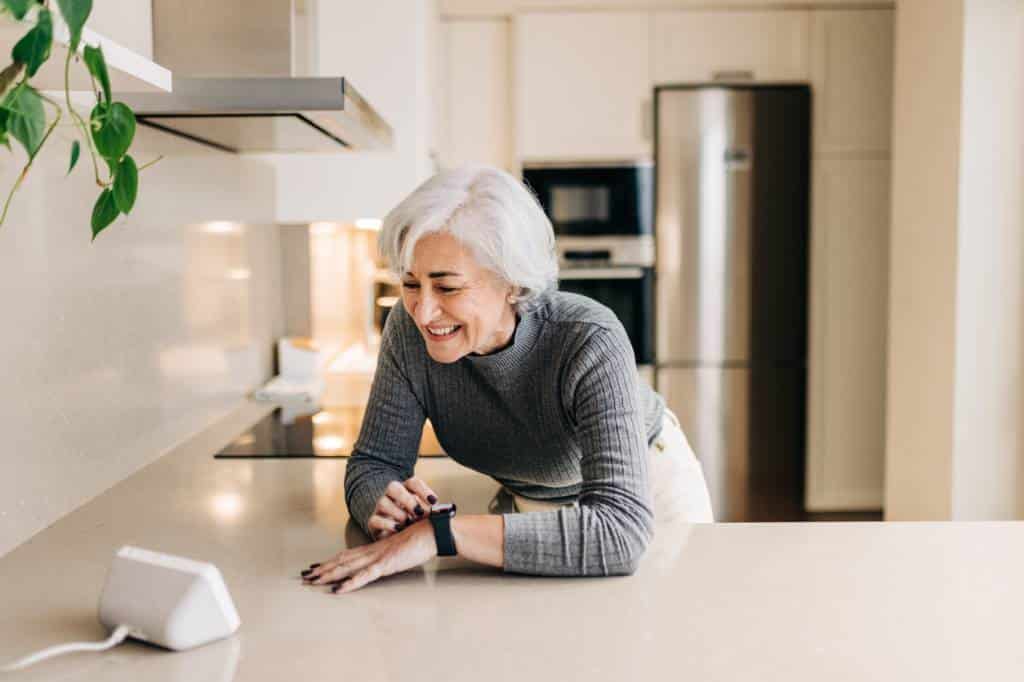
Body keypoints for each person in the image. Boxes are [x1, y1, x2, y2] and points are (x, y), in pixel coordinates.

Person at [301, 165, 713, 594]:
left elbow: (620, 533)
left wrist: (439, 533)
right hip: (532, 501)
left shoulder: (589, 338)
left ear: (512, 284)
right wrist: (380, 502)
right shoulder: (406, 334)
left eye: (447, 288)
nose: (422, 312)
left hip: (648, 489)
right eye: (410, 283)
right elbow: (374, 463)